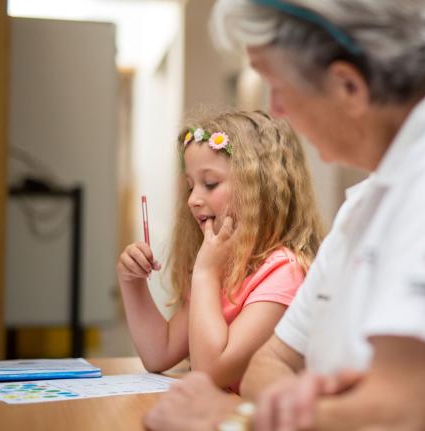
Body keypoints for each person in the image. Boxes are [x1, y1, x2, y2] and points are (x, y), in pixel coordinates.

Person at [144, 1, 425, 430]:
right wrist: (321, 407)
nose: (278, 109)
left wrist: (235, 419)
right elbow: (272, 362)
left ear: (349, 86)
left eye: (279, 88)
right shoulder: (365, 205)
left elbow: (405, 411)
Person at [117, 110, 323, 391]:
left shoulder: (285, 272)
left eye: (210, 184)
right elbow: (159, 352)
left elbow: (211, 371)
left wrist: (205, 273)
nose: (192, 200)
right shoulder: (226, 269)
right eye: (190, 186)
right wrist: (132, 282)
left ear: (260, 188)